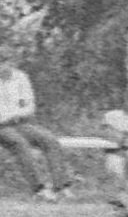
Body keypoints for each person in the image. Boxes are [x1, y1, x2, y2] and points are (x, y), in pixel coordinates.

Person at [2, 49, 75, 198]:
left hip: (20, 122)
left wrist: (14, 114)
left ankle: (61, 186)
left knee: (49, 139)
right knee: (19, 143)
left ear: (11, 62)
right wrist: (13, 113)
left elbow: (29, 107)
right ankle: (38, 189)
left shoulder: (21, 78)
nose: (3, 67)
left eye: (6, 62)